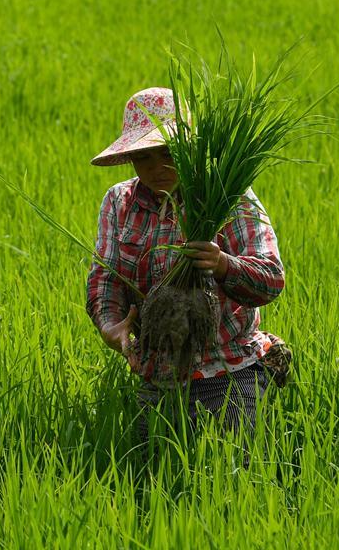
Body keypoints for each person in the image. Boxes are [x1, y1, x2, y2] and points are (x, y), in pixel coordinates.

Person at [86, 87, 292, 460]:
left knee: (232, 470)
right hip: (157, 372)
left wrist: (223, 264)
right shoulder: (120, 203)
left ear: (191, 150)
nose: (156, 168)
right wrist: (111, 326)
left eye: (168, 153)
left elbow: (271, 278)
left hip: (229, 369)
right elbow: (105, 280)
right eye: (142, 157)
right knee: (150, 472)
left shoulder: (229, 197)